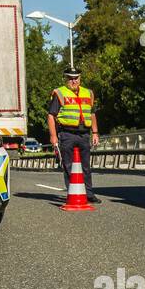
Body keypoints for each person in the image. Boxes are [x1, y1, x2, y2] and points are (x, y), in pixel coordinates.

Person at [48, 67, 101, 204]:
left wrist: (95, 132)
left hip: (84, 134)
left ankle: (89, 194)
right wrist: (53, 136)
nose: (73, 80)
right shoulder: (60, 93)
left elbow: (92, 114)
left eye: (76, 77)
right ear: (66, 79)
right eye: (70, 78)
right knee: (68, 165)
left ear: (80, 78)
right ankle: (72, 193)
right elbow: (51, 116)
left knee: (86, 167)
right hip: (67, 134)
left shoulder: (88, 93)